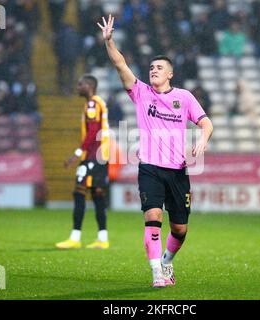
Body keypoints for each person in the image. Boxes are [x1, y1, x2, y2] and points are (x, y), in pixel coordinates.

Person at [97, 15, 213, 287]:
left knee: (180, 229)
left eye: (159, 67)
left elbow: (206, 123)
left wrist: (203, 138)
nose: (153, 70)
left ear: (170, 73)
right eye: (151, 67)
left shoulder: (184, 97)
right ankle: (156, 273)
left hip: (177, 171)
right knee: (152, 218)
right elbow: (120, 63)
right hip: (149, 167)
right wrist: (110, 41)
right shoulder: (140, 92)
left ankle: (167, 261)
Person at [56, 74, 111, 249]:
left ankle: (75, 237)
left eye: (81, 85)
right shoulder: (97, 102)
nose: (78, 87)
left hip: (93, 156)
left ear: (89, 86)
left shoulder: (93, 104)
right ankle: (102, 239)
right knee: (97, 195)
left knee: (79, 192)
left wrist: (77, 153)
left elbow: (93, 131)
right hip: (102, 156)